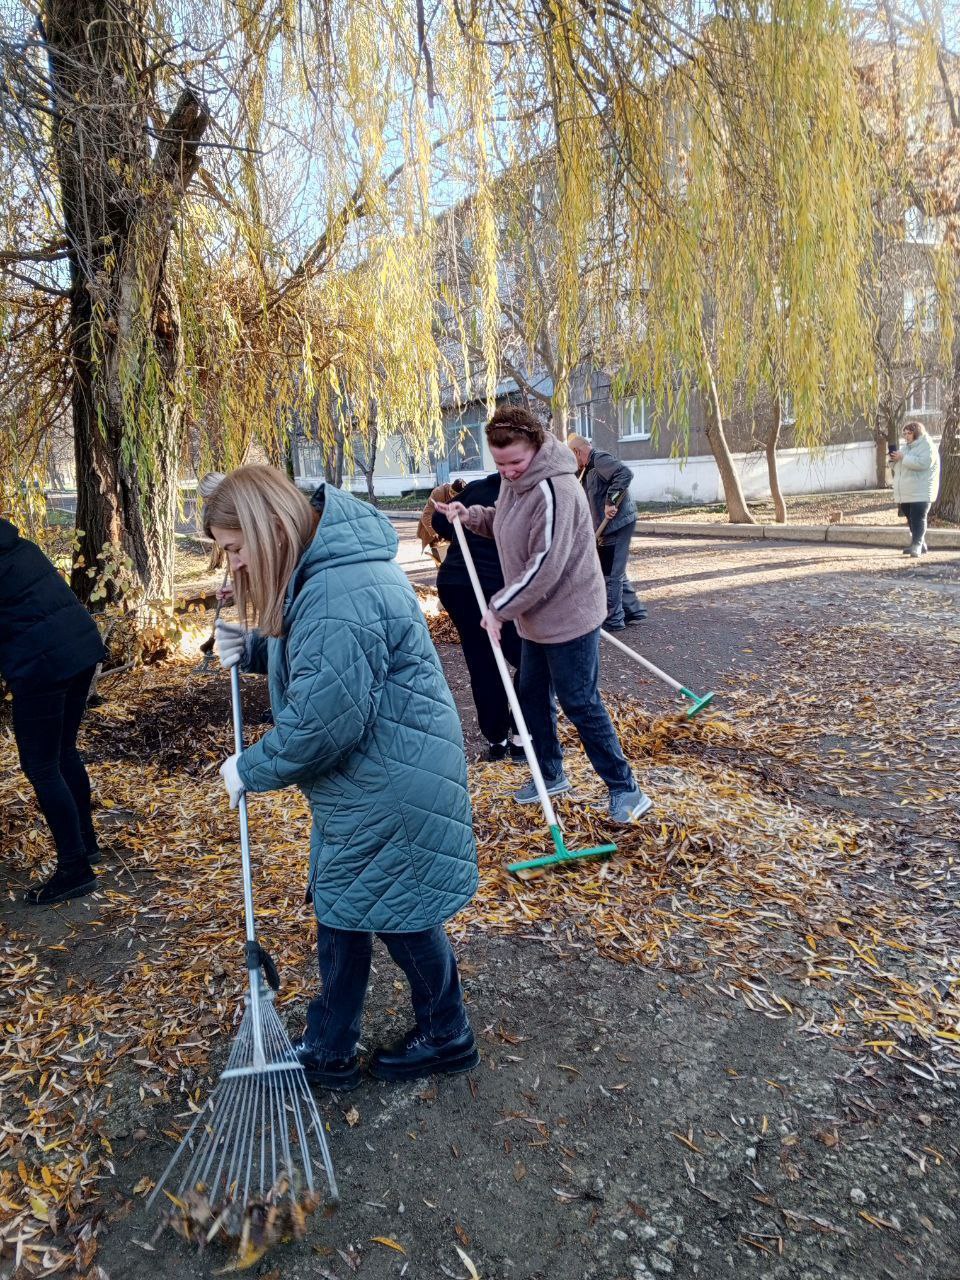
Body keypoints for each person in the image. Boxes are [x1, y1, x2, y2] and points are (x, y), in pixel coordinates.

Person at [205, 466, 479, 1090]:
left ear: (269, 528)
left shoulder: (336, 590)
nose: (237, 565)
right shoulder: (326, 568)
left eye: (236, 548)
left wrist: (249, 767)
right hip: (382, 773)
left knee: (393, 912)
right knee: (352, 905)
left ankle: (444, 1032)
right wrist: (250, 649)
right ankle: (333, 1042)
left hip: (387, 781)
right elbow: (326, 661)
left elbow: (320, 725)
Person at [435, 406, 653, 826]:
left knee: (580, 701)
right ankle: (550, 774)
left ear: (535, 447)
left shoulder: (556, 489)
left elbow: (545, 563)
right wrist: (472, 515)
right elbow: (509, 523)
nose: (509, 472)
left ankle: (626, 788)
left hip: (569, 614)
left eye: (515, 462)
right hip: (535, 617)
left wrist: (498, 607)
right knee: (532, 696)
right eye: (500, 464)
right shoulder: (518, 483)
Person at [0, 518, 106, 904]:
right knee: (63, 753)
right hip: (80, 651)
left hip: (43, 665)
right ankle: (86, 843)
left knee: (42, 766)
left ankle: (74, 868)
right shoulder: (18, 545)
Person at [431, 473, 524, 762]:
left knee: (483, 661)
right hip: (485, 585)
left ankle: (497, 739)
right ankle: (520, 737)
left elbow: (438, 523)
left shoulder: (476, 488)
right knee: (530, 659)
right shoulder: (526, 491)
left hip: (457, 583)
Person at [566, 433, 646, 630]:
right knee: (614, 570)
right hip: (606, 528)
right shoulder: (585, 470)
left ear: (577, 451)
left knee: (610, 573)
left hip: (617, 525)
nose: (572, 463)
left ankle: (613, 620)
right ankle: (633, 610)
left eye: (572, 457)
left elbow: (624, 473)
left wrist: (611, 500)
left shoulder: (599, 459)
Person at [890, 421, 940, 558]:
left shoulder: (927, 445)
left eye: (909, 433)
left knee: (918, 517)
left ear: (917, 432)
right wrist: (894, 461)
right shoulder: (906, 448)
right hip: (907, 491)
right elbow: (900, 468)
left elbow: (923, 463)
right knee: (909, 515)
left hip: (921, 490)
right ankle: (920, 544)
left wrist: (903, 457)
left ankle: (916, 545)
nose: (906, 436)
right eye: (904, 433)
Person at [417, 478, 465, 565]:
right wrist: (436, 533)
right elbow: (426, 515)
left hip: (451, 526)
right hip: (433, 525)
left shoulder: (467, 494)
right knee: (441, 558)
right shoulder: (438, 493)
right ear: (450, 492)